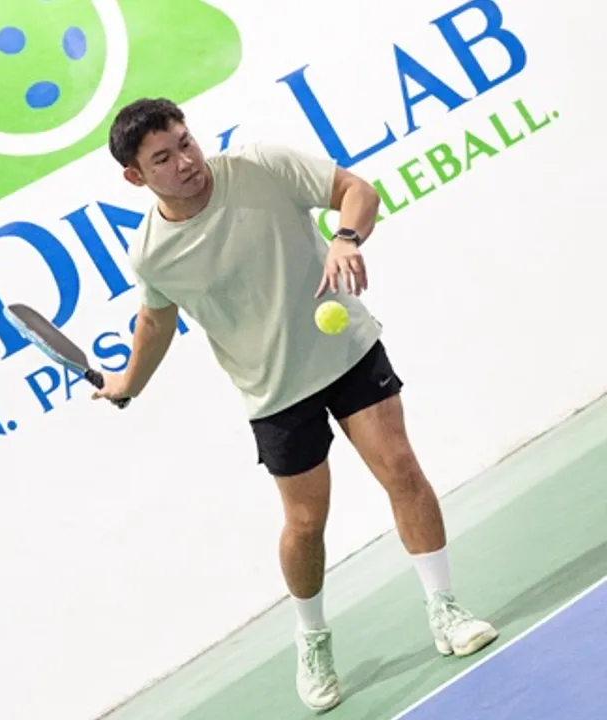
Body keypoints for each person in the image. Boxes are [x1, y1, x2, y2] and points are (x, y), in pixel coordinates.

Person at [95, 97, 499, 712]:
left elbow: (357, 191)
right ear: (135, 176)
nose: (186, 161)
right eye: (163, 158)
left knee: (400, 468)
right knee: (306, 523)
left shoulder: (260, 165)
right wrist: (128, 382)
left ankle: (445, 608)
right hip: (274, 392)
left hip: (346, 351)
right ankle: (312, 638)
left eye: (185, 141)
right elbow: (156, 320)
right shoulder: (152, 253)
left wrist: (345, 238)